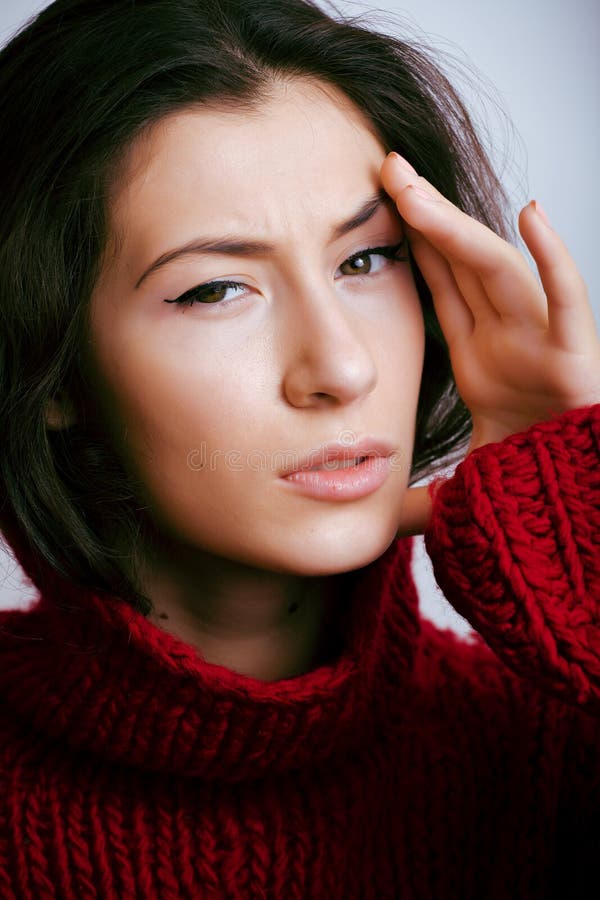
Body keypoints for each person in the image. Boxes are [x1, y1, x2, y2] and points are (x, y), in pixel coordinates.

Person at [0, 0, 598, 896]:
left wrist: (578, 545)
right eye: (214, 290)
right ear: (52, 365)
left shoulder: (552, 744)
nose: (341, 367)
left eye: (366, 261)